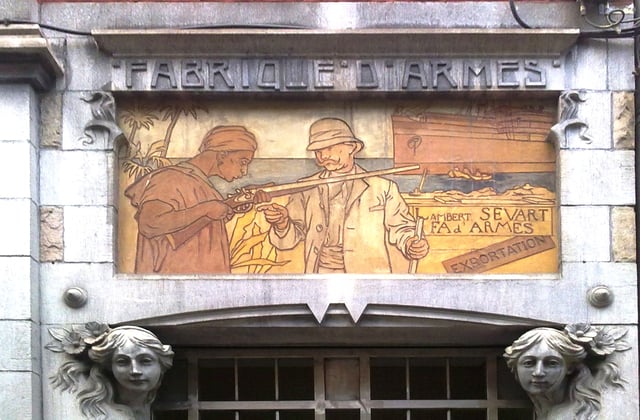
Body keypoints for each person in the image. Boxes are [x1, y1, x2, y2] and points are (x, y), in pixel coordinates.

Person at [259, 117, 429, 273]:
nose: (323, 156)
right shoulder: (305, 188)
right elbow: (290, 239)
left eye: (330, 148)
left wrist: (411, 243)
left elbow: (401, 228)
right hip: (319, 274)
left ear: (352, 148)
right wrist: (281, 223)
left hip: (367, 276)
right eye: (318, 151)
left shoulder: (384, 188)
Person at [125, 125, 268, 274]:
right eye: (243, 162)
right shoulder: (170, 178)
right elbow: (150, 223)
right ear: (222, 155)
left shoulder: (204, 186)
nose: (244, 172)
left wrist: (232, 207)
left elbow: (200, 229)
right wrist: (206, 209)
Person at [50, 325, 174, 420]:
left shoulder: (148, 404)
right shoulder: (97, 410)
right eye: (122, 362)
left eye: (145, 361)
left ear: (162, 364)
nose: (135, 371)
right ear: (110, 366)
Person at [504, 328, 600, 420]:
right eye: (529, 363)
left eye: (551, 363)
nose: (538, 372)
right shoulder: (543, 407)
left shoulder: (579, 412)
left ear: (570, 367)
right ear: (515, 367)